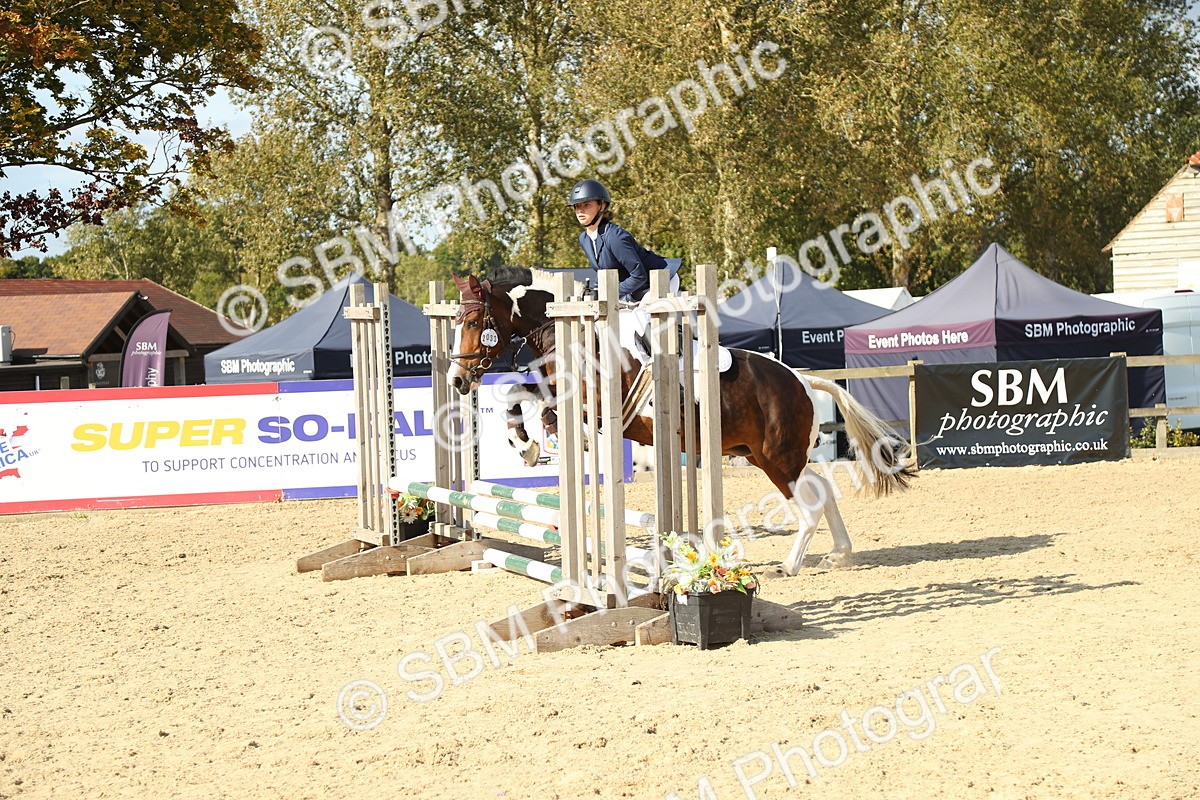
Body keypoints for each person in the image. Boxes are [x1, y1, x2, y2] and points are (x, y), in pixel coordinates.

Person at [568, 179, 668, 302]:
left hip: (660, 281)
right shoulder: (584, 238)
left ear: (602, 206)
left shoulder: (615, 236)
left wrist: (607, 293)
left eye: (587, 205)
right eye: (577, 206)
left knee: (638, 314)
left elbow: (639, 276)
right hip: (634, 288)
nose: (580, 210)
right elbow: (602, 271)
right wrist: (595, 291)